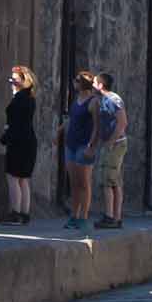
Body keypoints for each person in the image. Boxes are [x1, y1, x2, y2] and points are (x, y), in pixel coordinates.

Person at [57, 72, 100, 232]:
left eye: (76, 80)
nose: (74, 82)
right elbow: (71, 119)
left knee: (84, 182)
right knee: (74, 183)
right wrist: (59, 131)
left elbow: (97, 125)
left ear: (82, 83)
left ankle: (83, 216)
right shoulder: (76, 100)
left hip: (84, 145)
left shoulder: (93, 102)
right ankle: (74, 216)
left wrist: (92, 146)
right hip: (71, 144)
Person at [1, 65, 40, 225]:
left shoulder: (20, 99)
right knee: (23, 179)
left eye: (14, 80)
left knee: (13, 177)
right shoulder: (29, 97)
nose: (11, 83)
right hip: (28, 140)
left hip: (19, 141)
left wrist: (5, 136)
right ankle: (24, 214)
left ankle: (16, 213)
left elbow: (17, 124)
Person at [93, 71, 130, 229]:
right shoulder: (104, 100)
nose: (93, 85)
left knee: (107, 181)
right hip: (114, 143)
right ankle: (116, 216)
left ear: (101, 85)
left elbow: (122, 122)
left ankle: (110, 216)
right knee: (114, 181)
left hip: (115, 144)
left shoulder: (111, 99)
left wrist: (110, 142)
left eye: (95, 82)